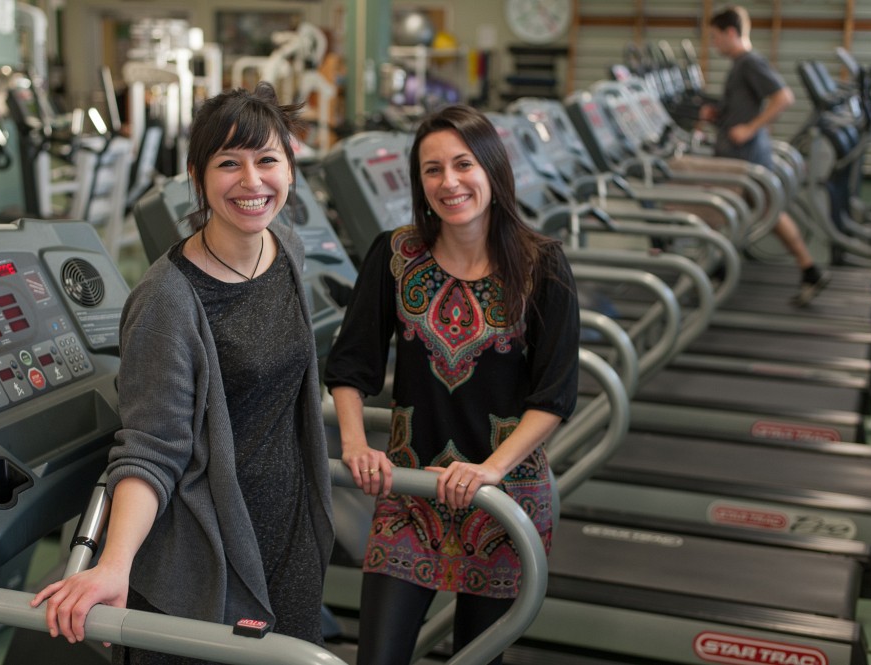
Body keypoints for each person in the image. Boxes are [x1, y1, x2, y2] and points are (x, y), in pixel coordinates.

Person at [30, 82, 335, 663]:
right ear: (198, 177)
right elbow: (150, 448)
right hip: (211, 544)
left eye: (267, 160)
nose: (252, 181)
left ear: (290, 168)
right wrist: (113, 566)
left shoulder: (287, 248)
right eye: (229, 164)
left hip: (289, 527)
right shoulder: (167, 299)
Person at [323, 104, 580, 665]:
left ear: (491, 169)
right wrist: (352, 444)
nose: (449, 182)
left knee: (477, 656)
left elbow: (555, 397)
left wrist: (490, 471)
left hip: (502, 499)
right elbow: (350, 366)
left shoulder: (544, 266)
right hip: (411, 497)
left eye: (463, 165)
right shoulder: (395, 256)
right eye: (432, 170)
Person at [699, 5, 830, 306]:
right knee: (760, 212)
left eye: (716, 37)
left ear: (731, 33)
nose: (714, 44)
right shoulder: (740, 65)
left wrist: (750, 128)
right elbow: (745, 107)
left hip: (745, 157)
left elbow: (783, 97)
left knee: (719, 207)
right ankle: (807, 270)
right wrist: (720, 115)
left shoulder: (749, 63)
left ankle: (807, 270)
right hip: (740, 155)